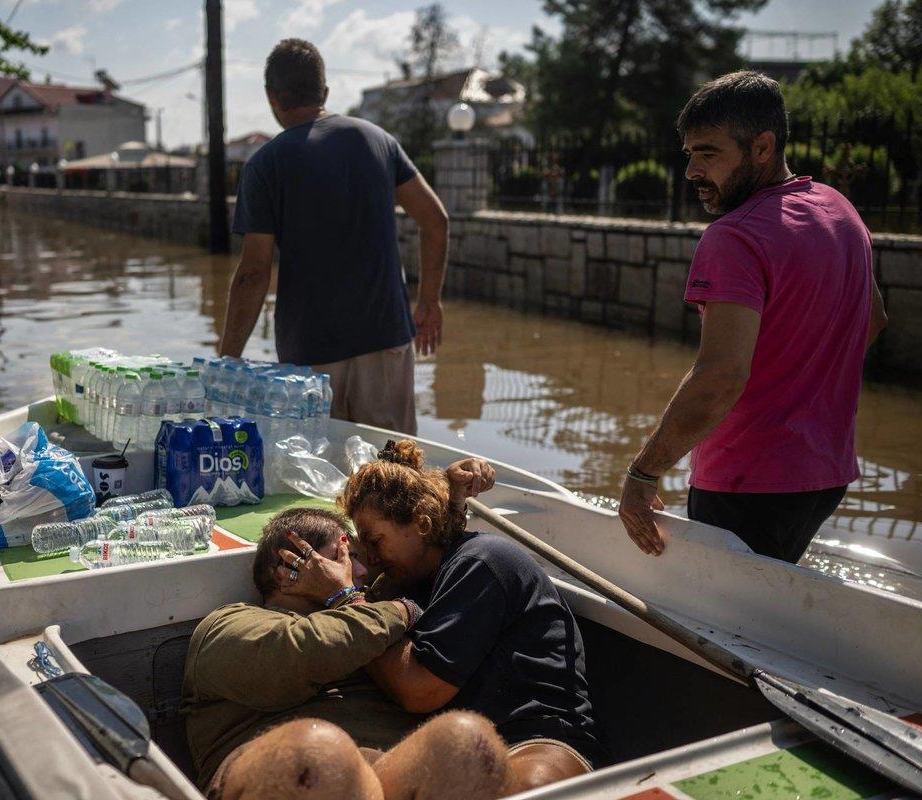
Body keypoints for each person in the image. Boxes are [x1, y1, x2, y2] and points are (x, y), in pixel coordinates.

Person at [616, 71, 888, 563]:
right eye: (690, 154)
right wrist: (799, 383)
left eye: (709, 153)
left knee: (716, 624)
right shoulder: (840, 211)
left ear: (762, 147)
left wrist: (643, 474)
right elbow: (873, 320)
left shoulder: (734, 236)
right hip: (827, 474)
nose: (693, 171)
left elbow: (719, 376)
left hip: (748, 481)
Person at [322, 441, 606, 787]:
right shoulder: (411, 580)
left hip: (536, 742)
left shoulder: (482, 562)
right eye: (362, 546)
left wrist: (346, 600)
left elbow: (419, 690)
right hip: (456, 749)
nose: (371, 557)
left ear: (420, 522)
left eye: (376, 541)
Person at [182, 507, 517, 800]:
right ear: (285, 567)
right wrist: (389, 609)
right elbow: (304, 652)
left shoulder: (368, 623)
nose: (360, 573)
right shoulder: (229, 624)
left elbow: (423, 545)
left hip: (382, 771)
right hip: (283, 772)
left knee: (467, 740)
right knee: (322, 751)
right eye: (345, 557)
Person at [219, 38, 450, 435]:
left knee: (319, 483)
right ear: (324, 92)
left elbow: (254, 273)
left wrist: (227, 361)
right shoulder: (377, 141)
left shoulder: (266, 164)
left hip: (311, 357)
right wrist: (429, 301)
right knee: (396, 479)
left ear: (272, 98)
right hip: (386, 339)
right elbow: (436, 220)